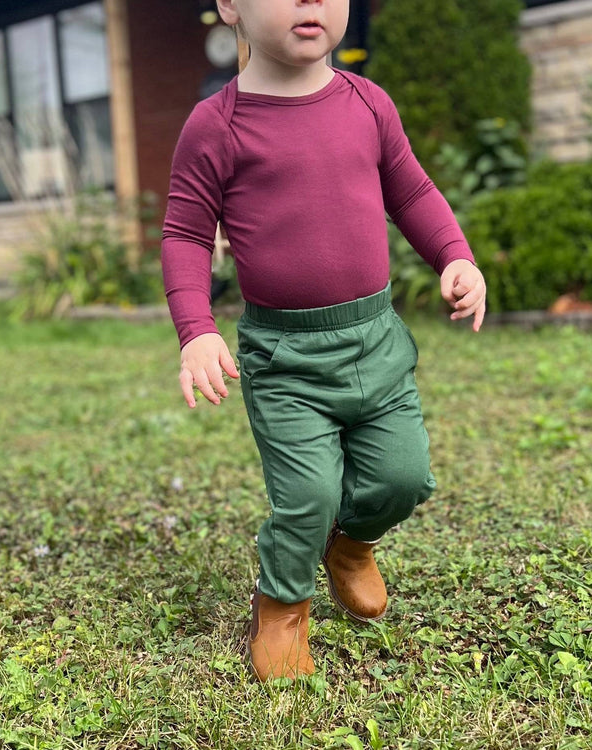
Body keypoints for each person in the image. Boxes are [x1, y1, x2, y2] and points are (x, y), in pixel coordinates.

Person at [161, 0, 486, 681]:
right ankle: (280, 605)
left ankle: (352, 545)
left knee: (403, 477)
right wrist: (196, 330)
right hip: (285, 359)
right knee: (309, 496)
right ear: (229, 6)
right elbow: (186, 235)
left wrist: (454, 255)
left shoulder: (368, 105)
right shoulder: (215, 125)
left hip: (375, 342)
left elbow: (414, 191)